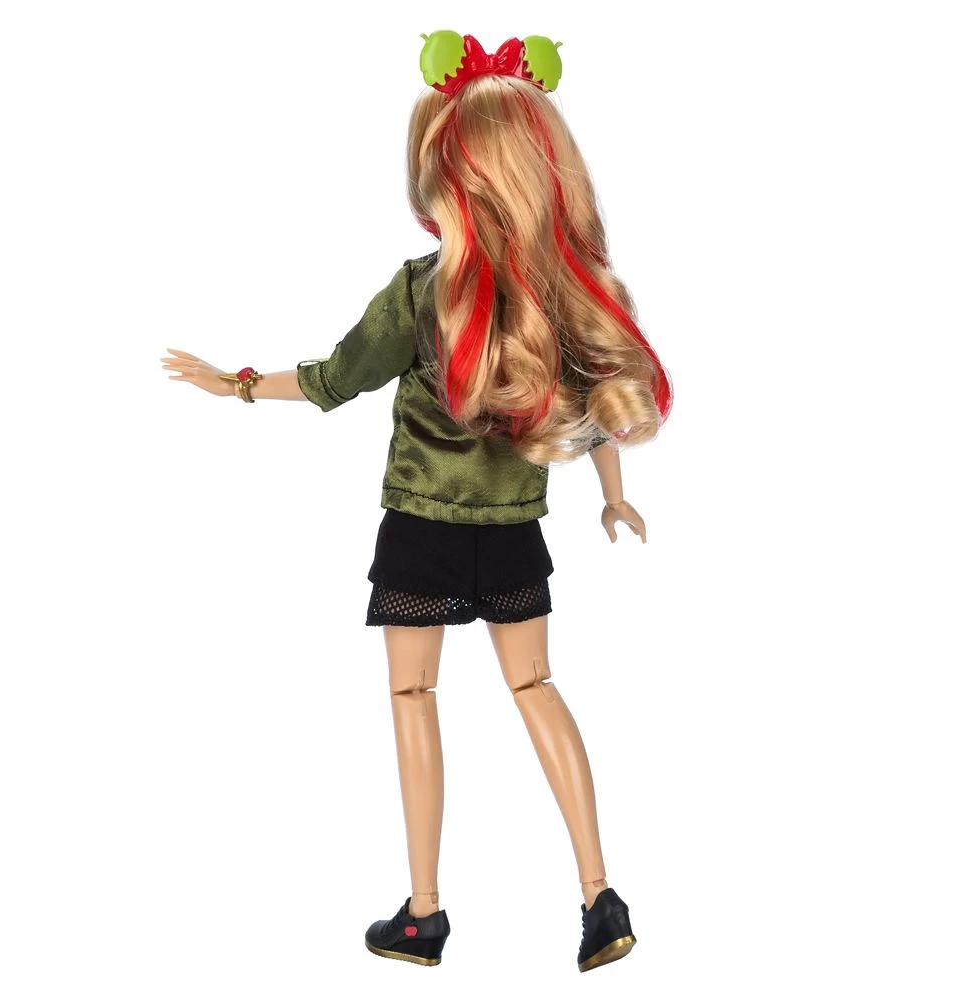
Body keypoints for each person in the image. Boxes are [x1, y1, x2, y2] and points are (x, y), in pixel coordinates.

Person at [160, 30, 672, 973]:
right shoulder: (558, 298)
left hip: (420, 530)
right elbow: (595, 408)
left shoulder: (419, 294)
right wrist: (613, 495)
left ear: (448, 180)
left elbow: (332, 379)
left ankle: (424, 916)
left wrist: (236, 384)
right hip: (512, 534)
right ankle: (601, 898)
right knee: (535, 687)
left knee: (412, 692)